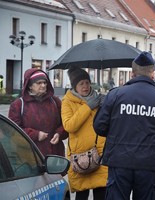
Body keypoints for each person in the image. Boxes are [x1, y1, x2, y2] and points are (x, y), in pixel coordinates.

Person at [93, 51, 155, 200]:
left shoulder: (115, 94)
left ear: (132, 73)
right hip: (149, 162)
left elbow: (99, 127)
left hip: (119, 160)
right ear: (153, 73)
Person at [61, 67, 107, 200]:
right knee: (82, 195)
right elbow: (69, 126)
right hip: (81, 157)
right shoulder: (67, 102)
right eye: (81, 83)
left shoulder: (98, 99)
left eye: (87, 82)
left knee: (102, 193)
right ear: (75, 86)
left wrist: (107, 105)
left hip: (100, 153)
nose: (85, 86)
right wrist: (87, 107)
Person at [8, 68, 67, 157]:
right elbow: (13, 131)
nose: (43, 85)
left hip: (54, 154)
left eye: (45, 82)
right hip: (29, 155)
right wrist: (36, 135)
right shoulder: (18, 105)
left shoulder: (55, 102)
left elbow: (66, 123)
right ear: (30, 86)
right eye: (39, 83)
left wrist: (59, 133)